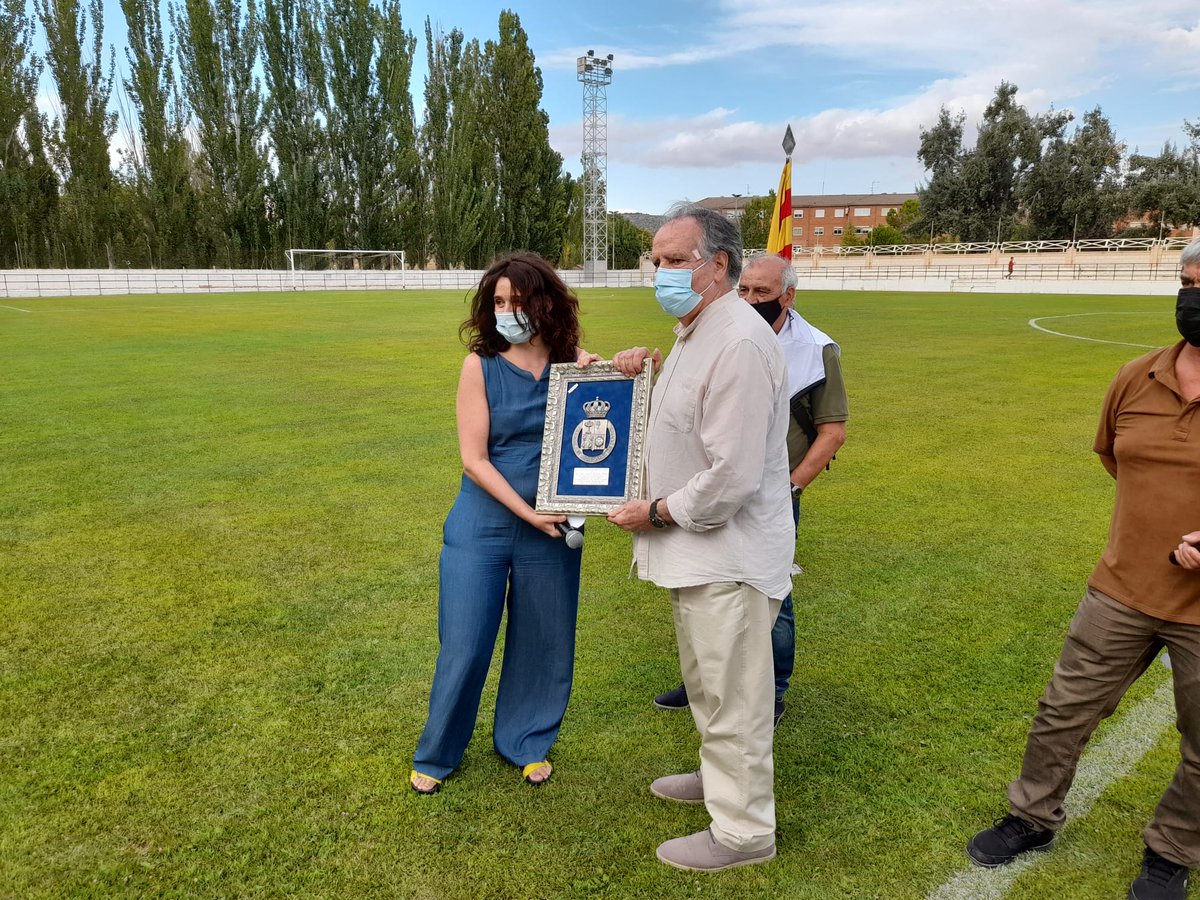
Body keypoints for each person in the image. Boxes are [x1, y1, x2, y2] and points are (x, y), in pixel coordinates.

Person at [965, 237, 1200, 900]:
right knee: (1063, 711)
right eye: (1186, 282)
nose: (1193, 297)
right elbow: (1114, 457)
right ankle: (1030, 817)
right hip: (1122, 588)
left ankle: (1171, 852)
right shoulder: (1137, 376)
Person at [609, 204, 793, 872]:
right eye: (656, 260)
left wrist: (655, 512)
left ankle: (743, 834)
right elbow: (682, 428)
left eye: (676, 259)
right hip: (699, 555)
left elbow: (733, 475)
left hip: (728, 555)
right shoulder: (698, 329)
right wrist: (634, 372)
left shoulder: (737, 339)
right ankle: (719, 784)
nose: (661, 271)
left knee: (735, 696)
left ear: (719, 265)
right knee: (711, 684)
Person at [410, 252, 597, 795]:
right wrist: (527, 513)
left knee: (545, 639)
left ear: (545, 304)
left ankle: (526, 741)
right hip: (483, 524)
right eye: (497, 302)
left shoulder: (575, 366)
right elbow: (475, 459)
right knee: (465, 642)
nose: (507, 311)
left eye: (517, 301)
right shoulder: (480, 365)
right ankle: (439, 751)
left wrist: (611, 375)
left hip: (555, 527)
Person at [652, 253, 848, 726]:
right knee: (704, 584)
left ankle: (773, 689)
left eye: (763, 292)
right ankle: (704, 682)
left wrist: (792, 486)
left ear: (789, 295)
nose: (752, 299)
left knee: (768, 592)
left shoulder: (816, 349)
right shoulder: (716, 333)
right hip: (714, 484)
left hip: (769, 492)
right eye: (746, 290)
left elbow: (832, 430)